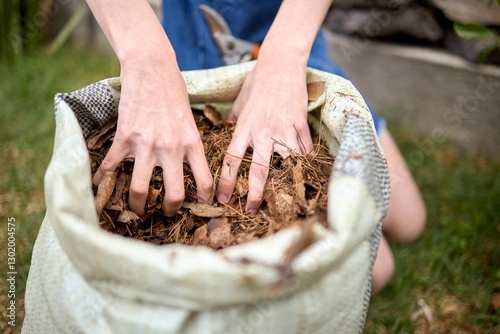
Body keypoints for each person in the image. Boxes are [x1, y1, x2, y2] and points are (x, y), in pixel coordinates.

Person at [85, 0, 426, 294]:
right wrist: (147, 63)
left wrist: (284, 57)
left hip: (292, 47)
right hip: (191, 55)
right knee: (376, 270)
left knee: (410, 222)